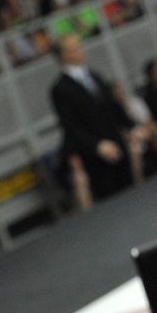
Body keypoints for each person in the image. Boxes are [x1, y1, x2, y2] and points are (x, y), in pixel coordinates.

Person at [49, 33, 144, 210]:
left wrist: (132, 127)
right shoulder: (60, 89)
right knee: (112, 204)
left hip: (116, 143)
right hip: (94, 156)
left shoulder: (94, 76)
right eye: (74, 48)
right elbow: (71, 127)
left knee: (133, 197)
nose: (80, 50)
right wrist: (97, 146)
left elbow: (113, 107)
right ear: (63, 55)